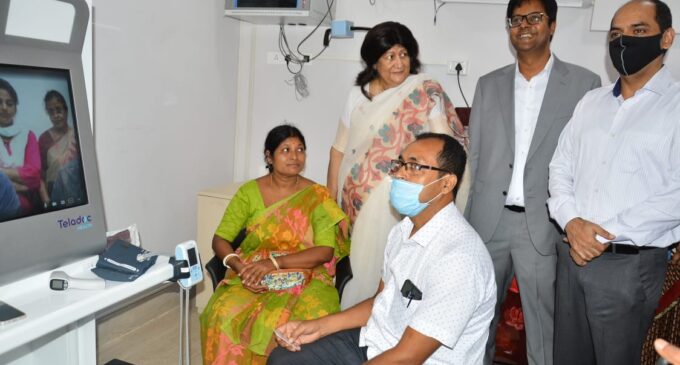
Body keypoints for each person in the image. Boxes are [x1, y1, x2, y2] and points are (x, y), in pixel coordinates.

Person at [269, 133, 495, 365]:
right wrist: (317, 327)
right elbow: (381, 301)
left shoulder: (459, 258)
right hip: (376, 342)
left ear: (446, 183)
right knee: (283, 360)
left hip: (413, 359)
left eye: (415, 166)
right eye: (400, 163)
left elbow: (408, 356)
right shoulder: (403, 230)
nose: (399, 173)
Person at [464, 1, 600, 364]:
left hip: (543, 223)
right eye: (516, 19)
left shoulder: (585, 85)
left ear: (552, 25)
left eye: (534, 17)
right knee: (474, 320)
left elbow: (587, 162)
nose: (524, 25)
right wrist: (464, 221)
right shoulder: (487, 84)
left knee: (543, 326)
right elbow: (474, 160)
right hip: (487, 222)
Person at [547, 1, 678, 364]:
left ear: (666, 38)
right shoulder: (591, 102)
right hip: (571, 254)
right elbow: (560, 169)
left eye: (638, 32)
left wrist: (602, 235)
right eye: (616, 34)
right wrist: (573, 223)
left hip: (628, 268)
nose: (623, 43)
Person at [326, 21, 468, 308]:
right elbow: (338, 150)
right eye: (390, 56)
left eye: (404, 54)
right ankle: (355, 328)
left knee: (390, 268)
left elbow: (443, 148)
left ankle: (384, 328)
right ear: (374, 61)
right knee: (356, 267)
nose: (399, 63)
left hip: (401, 201)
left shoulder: (424, 91)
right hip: (353, 203)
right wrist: (332, 204)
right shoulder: (356, 95)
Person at [200, 124, 350, 365]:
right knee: (222, 314)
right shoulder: (249, 192)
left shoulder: (317, 195)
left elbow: (325, 251)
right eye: (286, 150)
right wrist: (241, 268)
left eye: (300, 149)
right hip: (252, 270)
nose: (295, 156)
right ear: (269, 157)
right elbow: (220, 239)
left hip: (307, 270)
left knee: (312, 317)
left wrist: (274, 263)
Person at [0, 78, 41, 215]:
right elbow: (30, 181)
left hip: (26, 210)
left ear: (16, 107)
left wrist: (2, 174)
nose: (4, 107)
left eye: (9, 103)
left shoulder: (28, 135)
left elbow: (35, 176)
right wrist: (22, 184)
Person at [38, 90, 81, 206]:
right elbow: (40, 175)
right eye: (51, 112)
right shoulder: (43, 139)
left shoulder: (77, 135)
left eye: (59, 110)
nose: (56, 115)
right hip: (55, 196)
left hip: (78, 194)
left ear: (66, 110)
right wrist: (48, 203)